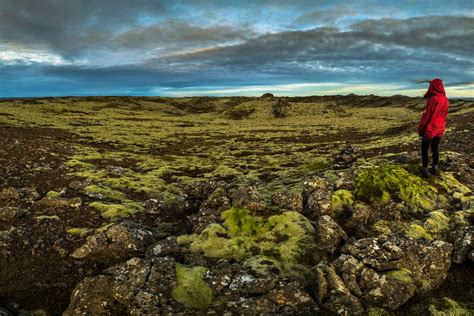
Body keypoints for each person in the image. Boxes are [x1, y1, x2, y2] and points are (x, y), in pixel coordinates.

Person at [417, 78, 449, 178]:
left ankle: (425, 170)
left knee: (425, 149)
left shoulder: (433, 99)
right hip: (440, 129)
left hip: (430, 129)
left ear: (433, 87)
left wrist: (421, 130)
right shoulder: (445, 99)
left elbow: (426, 117)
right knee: (435, 148)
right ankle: (435, 168)